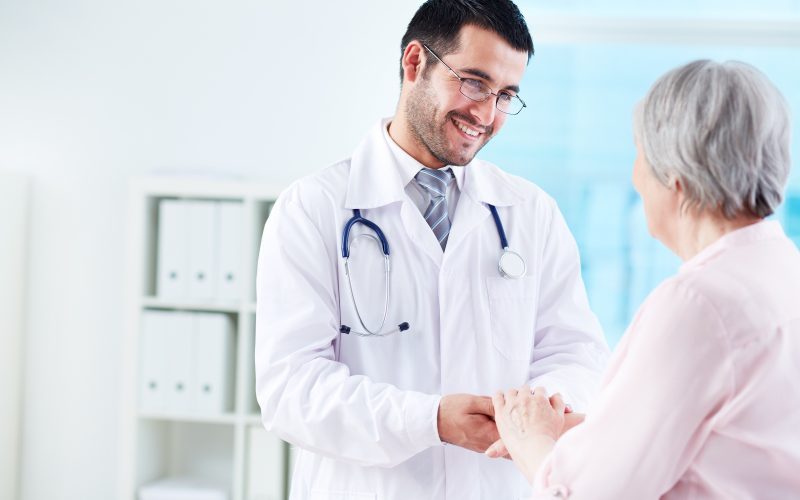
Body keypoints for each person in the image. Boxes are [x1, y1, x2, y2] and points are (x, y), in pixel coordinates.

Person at [255, 1, 609, 498]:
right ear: (415, 62)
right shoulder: (312, 209)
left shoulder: (530, 213)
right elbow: (290, 390)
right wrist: (431, 420)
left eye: (506, 95)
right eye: (474, 83)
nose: (486, 114)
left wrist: (538, 410)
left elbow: (577, 352)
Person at [488, 59, 800, 499]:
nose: (635, 177)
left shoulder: (698, 305)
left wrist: (529, 437)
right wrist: (597, 431)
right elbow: (724, 438)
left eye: (639, 155)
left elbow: (582, 494)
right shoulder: (783, 272)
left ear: (676, 177)